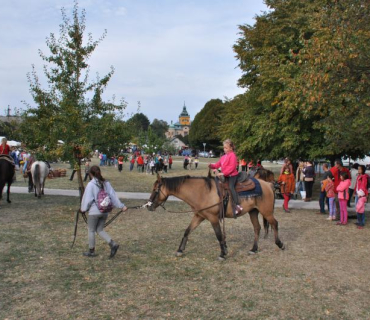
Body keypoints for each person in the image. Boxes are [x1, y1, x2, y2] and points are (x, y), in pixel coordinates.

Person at [80, 165, 127, 258]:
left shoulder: (91, 184)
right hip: (105, 211)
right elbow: (113, 196)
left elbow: (87, 199)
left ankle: (91, 251)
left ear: (91, 174)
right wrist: (121, 206)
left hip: (94, 211)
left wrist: (83, 209)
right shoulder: (106, 183)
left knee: (91, 230)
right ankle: (112, 244)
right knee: (99, 229)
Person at [209, 139, 243, 215]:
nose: (225, 149)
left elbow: (232, 168)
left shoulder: (233, 156)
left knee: (231, 187)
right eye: (224, 148)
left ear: (231, 148)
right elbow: (217, 164)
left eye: (226, 148)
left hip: (232, 175)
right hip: (225, 175)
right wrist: (211, 165)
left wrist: (223, 173)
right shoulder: (223, 157)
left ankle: (238, 205)